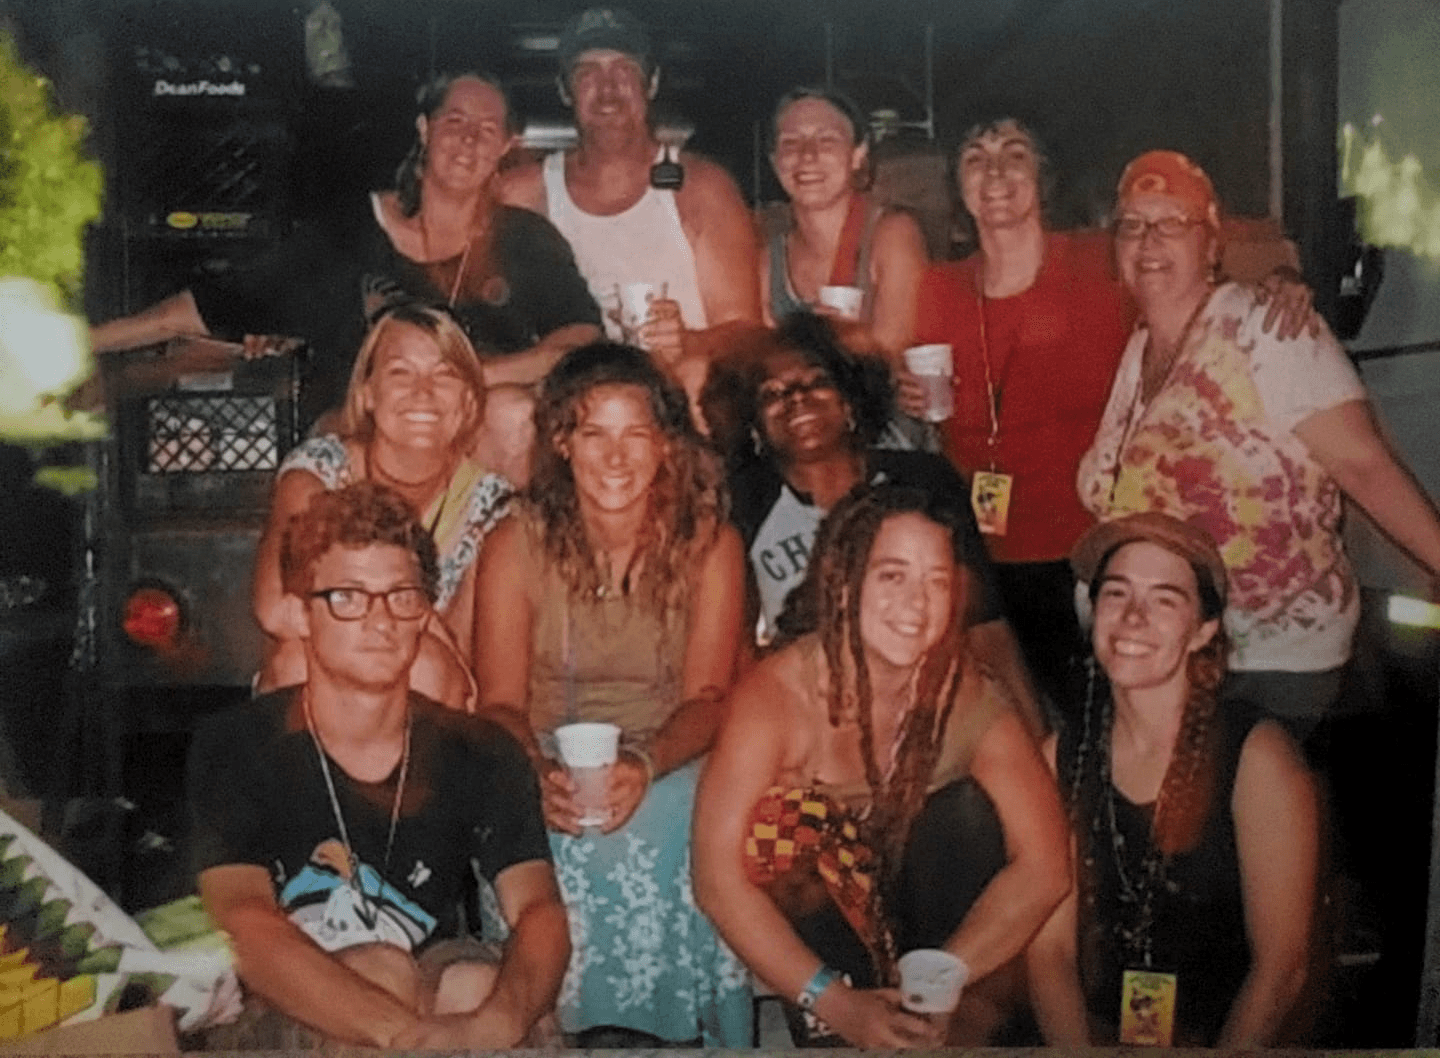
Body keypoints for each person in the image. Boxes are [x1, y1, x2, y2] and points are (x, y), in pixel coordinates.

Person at [911, 118, 1315, 721]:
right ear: (959, 185)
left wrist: (1279, 279)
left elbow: (1197, 274)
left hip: (1093, 554)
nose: (995, 172)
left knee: (1109, 728)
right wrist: (903, 392)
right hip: (981, 567)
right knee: (1010, 735)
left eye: (1014, 154)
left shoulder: (1100, 260)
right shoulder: (936, 289)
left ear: (1044, 177)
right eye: (976, 157)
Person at [188, 481, 570, 1048]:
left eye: (402, 595)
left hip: (433, 972)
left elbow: (540, 911)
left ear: (424, 614)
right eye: (347, 596)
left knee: (476, 984)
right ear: (298, 614)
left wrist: (503, 1018)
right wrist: (406, 1035)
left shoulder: (482, 750)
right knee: (380, 970)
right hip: (282, 994)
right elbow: (244, 923)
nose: (380, 619)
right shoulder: (237, 744)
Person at [1076, 150, 1440, 739]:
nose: (1149, 241)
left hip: (1270, 659)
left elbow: (1365, 465)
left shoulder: (1267, 331)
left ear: (1212, 242)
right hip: (1177, 654)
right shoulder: (1139, 347)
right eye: (1134, 225)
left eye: (1173, 222)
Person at [693, 485, 1070, 1048]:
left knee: (966, 812)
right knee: (782, 826)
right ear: (845, 584)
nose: (917, 604)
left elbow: (1045, 865)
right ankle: (839, 1033)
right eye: (892, 576)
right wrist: (839, 1005)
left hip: (935, 926)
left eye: (937, 582)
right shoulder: (776, 697)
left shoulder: (968, 696)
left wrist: (942, 980)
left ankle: (950, 1028)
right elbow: (717, 879)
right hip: (830, 939)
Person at [92, 71, 601, 478]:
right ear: (424, 129)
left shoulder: (525, 239)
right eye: (454, 122)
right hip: (360, 433)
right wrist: (85, 342)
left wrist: (472, 378)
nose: (468, 140)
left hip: (476, 438)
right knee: (331, 448)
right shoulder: (346, 231)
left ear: (506, 146)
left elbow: (580, 339)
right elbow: (210, 305)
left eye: (487, 129)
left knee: (513, 415)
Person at [472, 341, 751, 1045]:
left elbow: (710, 698)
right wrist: (534, 775)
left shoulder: (708, 545)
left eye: (637, 434)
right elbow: (498, 703)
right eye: (595, 433)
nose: (616, 457)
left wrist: (645, 766)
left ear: (665, 445)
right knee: (528, 818)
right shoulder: (514, 540)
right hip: (538, 751)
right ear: (563, 442)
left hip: (668, 751)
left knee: (666, 816)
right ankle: (562, 1029)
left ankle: (668, 1030)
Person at [1026, 512, 1319, 1047]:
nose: (1134, 617)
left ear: (1203, 630)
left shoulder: (1258, 759)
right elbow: (1049, 951)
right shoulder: (1060, 754)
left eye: (1165, 599)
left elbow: (1282, 971)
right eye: (1116, 594)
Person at [709, 312, 1044, 736]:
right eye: (771, 393)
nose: (796, 398)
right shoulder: (743, 503)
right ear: (754, 425)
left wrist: (1037, 741)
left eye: (815, 381)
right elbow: (738, 652)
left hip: (927, 704)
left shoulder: (924, 479)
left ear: (850, 402)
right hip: (812, 714)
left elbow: (986, 629)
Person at [251, 302, 510, 709]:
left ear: (468, 401)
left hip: (427, 707)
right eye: (400, 372)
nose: (422, 392)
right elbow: (277, 611)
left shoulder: (488, 506)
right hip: (314, 697)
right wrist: (415, 614)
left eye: (444, 374)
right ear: (368, 393)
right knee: (298, 659)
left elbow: (466, 668)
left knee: (426, 667)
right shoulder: (320, 475)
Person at [502, 7, 760, 405]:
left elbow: (745, 331)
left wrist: (686, 340)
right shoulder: (523, 193)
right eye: (587, 72)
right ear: (564, 89)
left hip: (673, 400)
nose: (607, 89)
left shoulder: (702, 186)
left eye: (624, 70)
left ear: (651, 83)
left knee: (698, 376)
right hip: (567, 405)